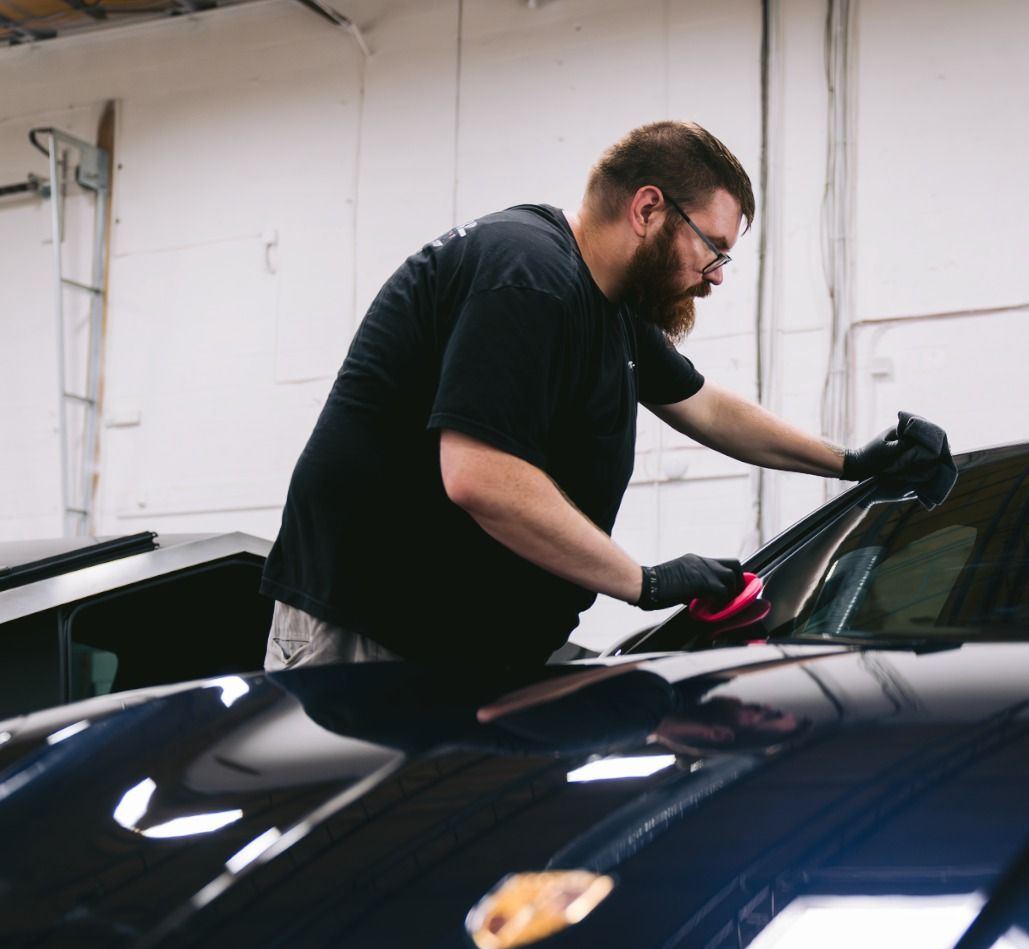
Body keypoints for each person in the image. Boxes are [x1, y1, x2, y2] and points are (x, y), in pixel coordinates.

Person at [260, 120, 951, 672]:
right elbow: (480, 477)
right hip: (370, 633)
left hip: (453, 648)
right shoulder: (527, 276)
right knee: (352, 847)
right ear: (649, 207)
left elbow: (706, 406)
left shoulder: (607, 304)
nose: (714, 278)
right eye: (712, 249)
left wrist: (853, 463)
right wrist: (643, 582)